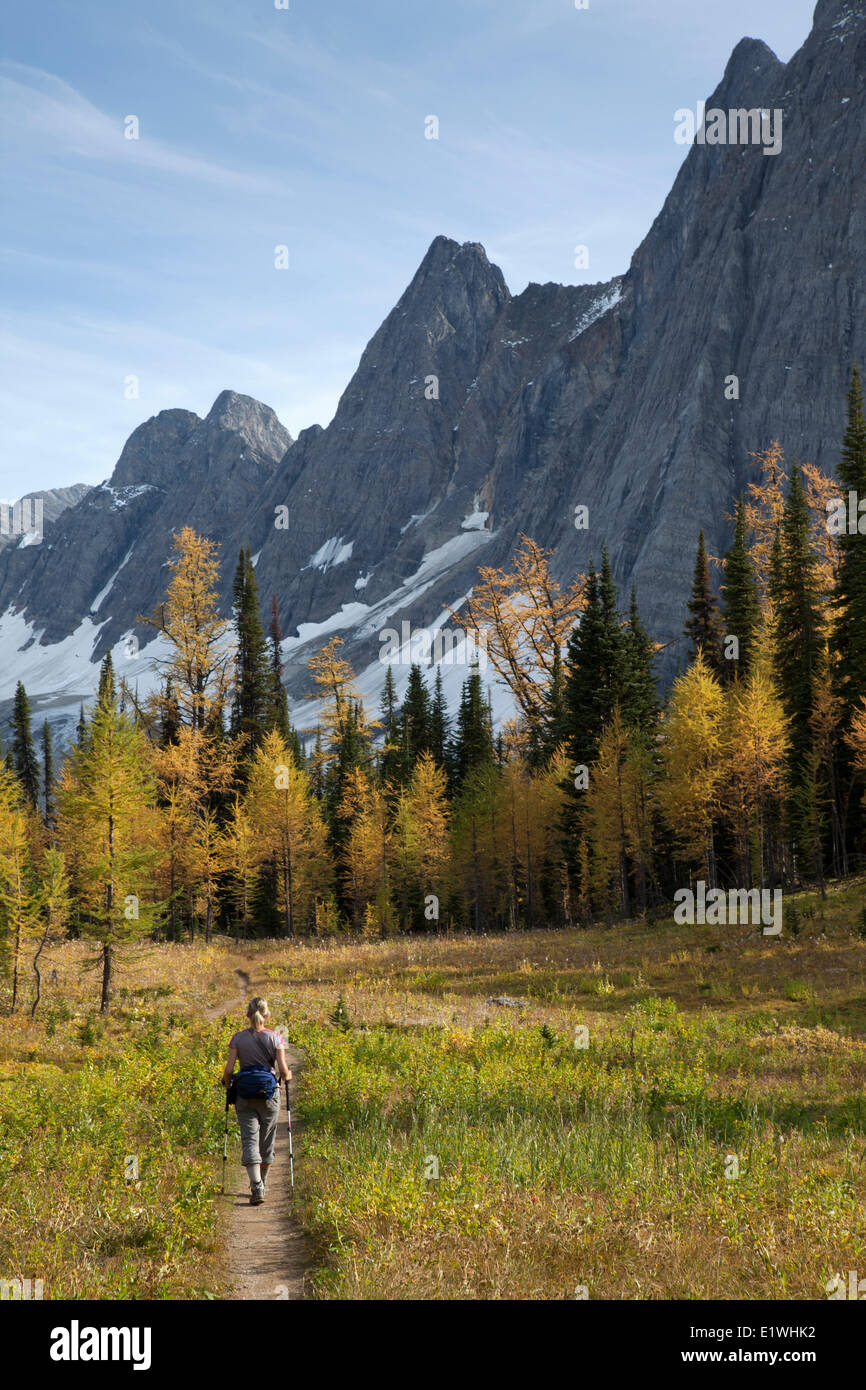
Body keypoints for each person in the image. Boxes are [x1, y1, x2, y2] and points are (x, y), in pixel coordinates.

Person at [222, 997, 291, 1206]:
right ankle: (263, 1184)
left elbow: (228, 1070)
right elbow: (283, 1069)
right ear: (267, 1015)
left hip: (244, 1094)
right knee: (266, 1141)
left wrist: (227, 1085)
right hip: (269, 1094)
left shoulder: (238, 1038)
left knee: (249, 1140)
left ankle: (256, 1185)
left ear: (247, 1015)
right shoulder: (275, 1037)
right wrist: (288, 1076)